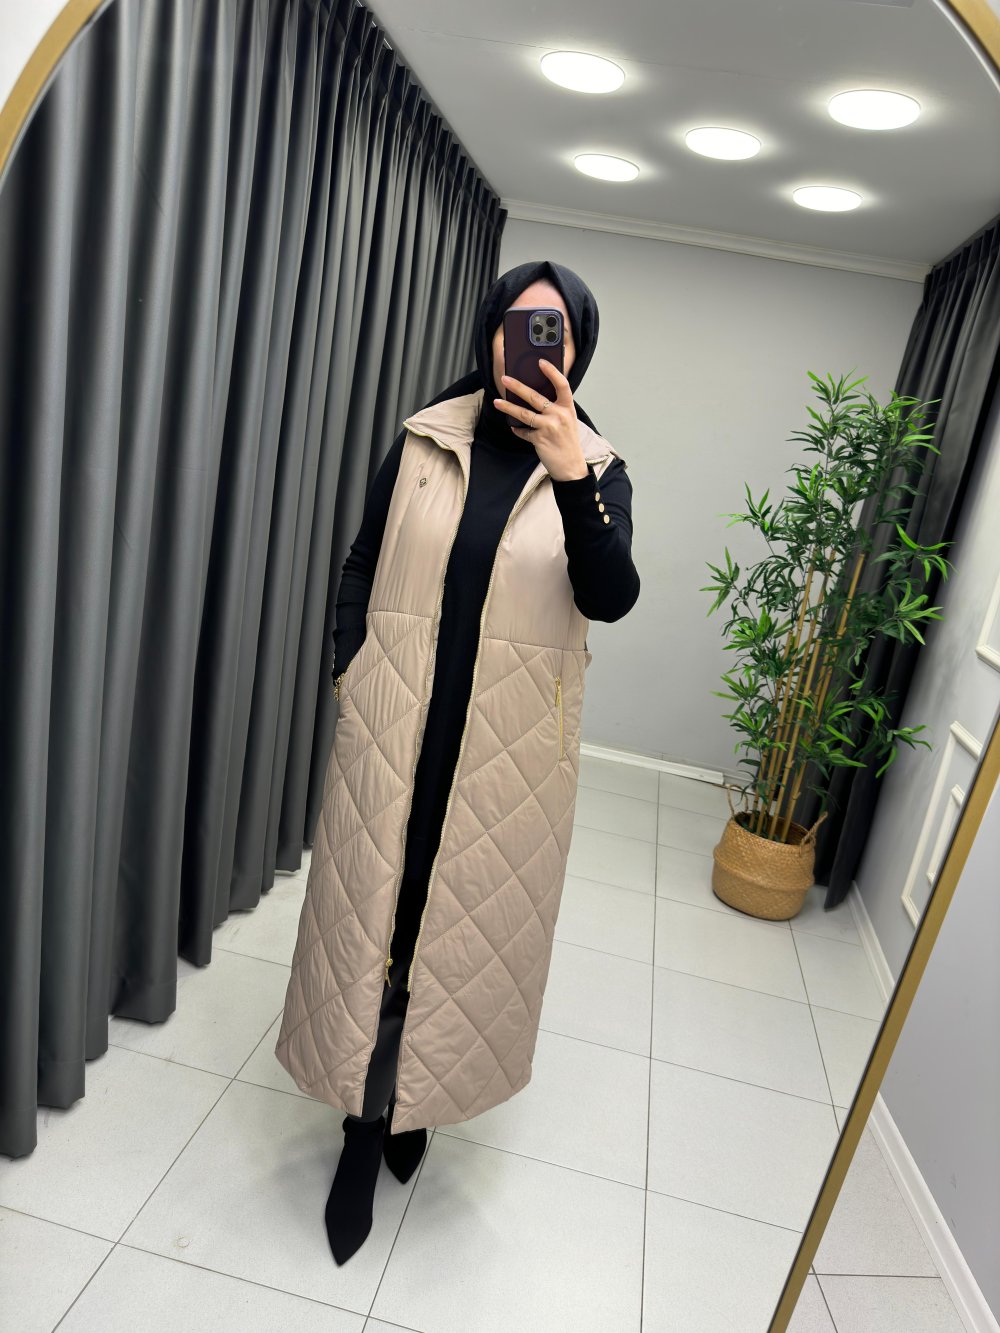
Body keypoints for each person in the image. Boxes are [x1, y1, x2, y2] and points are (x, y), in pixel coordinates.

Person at [274, 259, 640, 1265]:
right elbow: (360, 560)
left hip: (505, 751)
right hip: (398, 726)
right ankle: (364, 1126)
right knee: (380, 916)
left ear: (578, 350)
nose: (532, 345)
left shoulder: (600, 468)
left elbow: (610, 596)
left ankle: (414, 1100)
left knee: (457, 922)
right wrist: (349, 666)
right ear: (487, 332)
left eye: (554, 331)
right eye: (517, 324)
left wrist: (572, 474)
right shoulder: (425, 438)